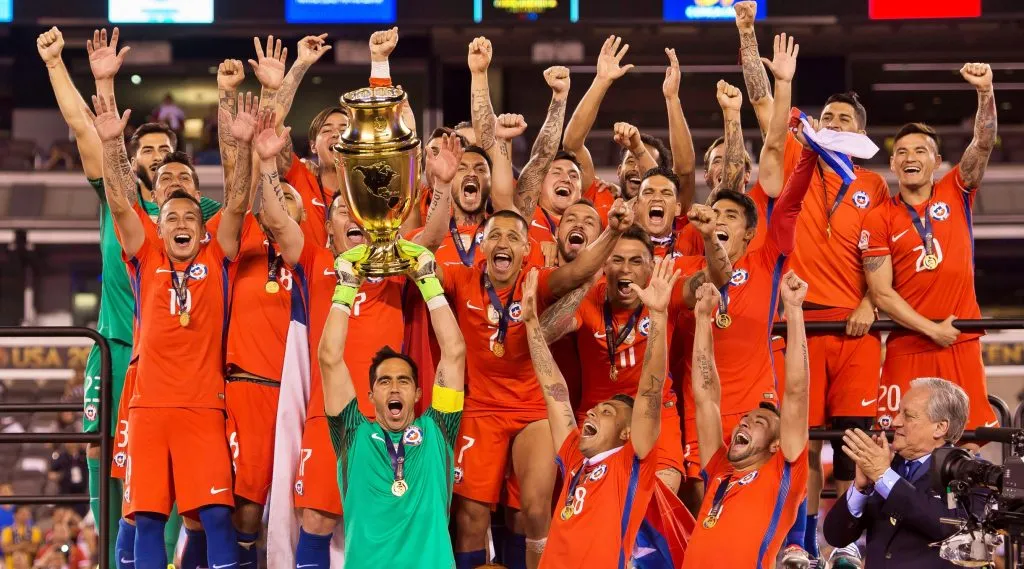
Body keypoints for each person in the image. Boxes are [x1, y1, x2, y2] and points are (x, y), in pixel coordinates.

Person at [38, 25, 221, 566]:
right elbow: (83, 127)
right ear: (134, 161)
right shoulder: (121, 207)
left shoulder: (199, 217)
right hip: (118, 351)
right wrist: (57, 64)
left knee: (169, 483)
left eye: (167, 150)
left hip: (179, 368)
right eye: (147, 150)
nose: (158, 157)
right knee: (108, 472)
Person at [734, 7, 891, 556]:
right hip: (798, 325)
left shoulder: (875, 185)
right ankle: (799, 545)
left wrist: (871, 301)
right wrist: (747, 37)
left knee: (853, 446)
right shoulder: (799, 157)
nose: (835, 124)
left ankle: (848, 547)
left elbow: (883, 255)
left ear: (861, 132)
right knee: (799, 443)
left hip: (854, 329)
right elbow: (762, 104)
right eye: (828, 116)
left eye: (845, 119)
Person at [90, 88, 256, 569]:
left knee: (217, 517)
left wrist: (244, 147)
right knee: (146, 518)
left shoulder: (216, 254)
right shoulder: (145, 256)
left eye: (190, 218)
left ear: (202, 230)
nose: (181, 223)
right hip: (148, 410)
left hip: (203, 408)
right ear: (158, 228)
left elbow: (238, 202)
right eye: (171, 218)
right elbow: (121, 203)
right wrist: (112, 146)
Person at [446, 197, 633, 569]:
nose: (502, 243)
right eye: (494, 235)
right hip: (480, 409)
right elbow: (425, 269)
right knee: (469, 518)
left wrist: (613, 231)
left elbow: (579, 270)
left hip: (532, 409)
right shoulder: (461, 277)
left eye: (513, 237)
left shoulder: (538, 281)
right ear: (482, 245)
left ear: (525, 250)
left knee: (532, 511)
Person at [539, 210, 733, 494]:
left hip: (657, 412)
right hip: (599, 413)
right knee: (592, 502)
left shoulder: (666, 291)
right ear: (605, 265)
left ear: (651, 266)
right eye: (617, 260)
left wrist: (709, 235)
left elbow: (720, 277)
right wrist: (585, 283)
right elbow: (543, 332)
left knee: (660, 497)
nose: (625, 269)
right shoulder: (590, 297)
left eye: (635, 261)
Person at [860, 63, 998, 434]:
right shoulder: (878, 218)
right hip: (909, 342)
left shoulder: (956, 190)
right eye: (902, 152)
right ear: (892, 163)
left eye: (920, 151)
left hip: (960, 339)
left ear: (936, 162)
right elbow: (881, 293)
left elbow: (983, 143)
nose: (910, 157)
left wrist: (985, 91)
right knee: (899, 436)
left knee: (968, 436)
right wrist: (932, 330)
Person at [319, 239, 466, 569]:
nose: (394, 387)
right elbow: (329, 359)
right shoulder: (352, 434)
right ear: (371, 395)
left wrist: (427, 280)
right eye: (384, 381)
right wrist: (347, 286)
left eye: (404, 381)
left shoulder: (438, 429)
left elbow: (454, 352)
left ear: (418, 393)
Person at [521, 256, 673, 568]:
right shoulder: (574, 458)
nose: (592, 411)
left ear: (627, 432)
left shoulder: (631, 464)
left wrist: (658, 316)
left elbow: (651, 390)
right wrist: (531, 324)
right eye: (596, 408)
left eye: (606, 412)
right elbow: (554, 391)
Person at [682, 272, 810, 568]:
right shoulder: (718, 469)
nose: (744, 423)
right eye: (746, 419)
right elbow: (706, 398)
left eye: (759, 423)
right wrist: (702, 318)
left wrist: (793, 311)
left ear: (777, 445)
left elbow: (797, 392)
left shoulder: (783, 473)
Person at [823, 378, 971, 569]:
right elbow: (836, 536)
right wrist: (860, 489)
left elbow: (947, 526)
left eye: (908, 416)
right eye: (898, 412)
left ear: (940, 427)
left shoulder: (966, 472)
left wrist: (883, 476)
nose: (895, 421)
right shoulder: (886, 467)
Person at [47, 443, 88, 517]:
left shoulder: (84, 456)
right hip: (66, 494)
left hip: (81, 494)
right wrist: (59, 476)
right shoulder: (62, 457)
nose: (71, 444)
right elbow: (51, 474)